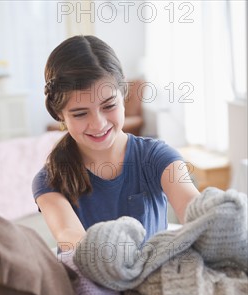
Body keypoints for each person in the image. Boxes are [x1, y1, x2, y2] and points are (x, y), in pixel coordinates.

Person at [33, 35, 200, 249]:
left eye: (108, 105)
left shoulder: (158, 156)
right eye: (80, 113)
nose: (98, 124)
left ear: (124, 94)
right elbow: (70, 237)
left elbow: (194, 210)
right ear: (60, 115)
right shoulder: (49, 179)